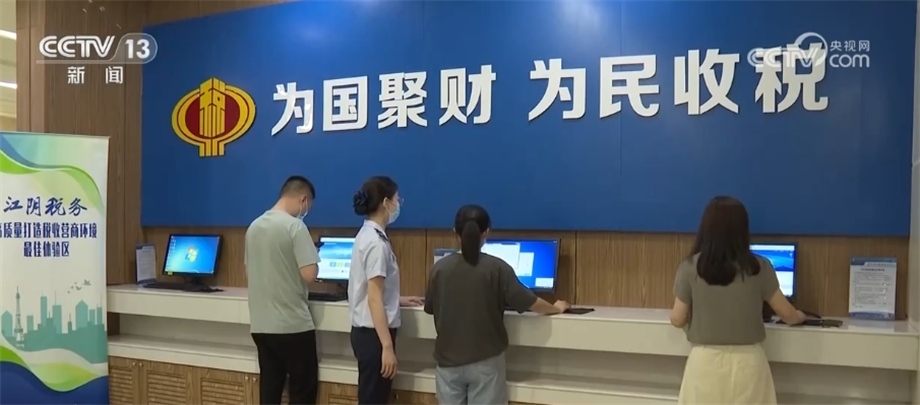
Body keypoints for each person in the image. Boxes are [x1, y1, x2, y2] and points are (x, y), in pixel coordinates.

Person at [424, 204, 570, 405]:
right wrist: (556, 308)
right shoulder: (497, 268)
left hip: (447, 363)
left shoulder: (440, 268)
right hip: (486, 363)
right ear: (486, 233)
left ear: (455, 231)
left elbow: (430, 307)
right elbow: (531, 302)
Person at [670, 196, 806, 405]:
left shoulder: (689, 267)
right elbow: (787, 314)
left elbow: (677, 318)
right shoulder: (760, 267)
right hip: (749, 364)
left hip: (704, 363)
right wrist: (800, 316)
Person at [244, 175, 321, 405]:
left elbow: (250, 272)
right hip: (292, 326)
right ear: (303, 199)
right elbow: (310, 274)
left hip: (261, 326)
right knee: (302, 393)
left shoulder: (254, 227)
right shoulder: (295, 226)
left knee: (270, 391)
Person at [348, 176, 424, 405]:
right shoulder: (376, 243)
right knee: (373, 399)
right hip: (375, 337)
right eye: (397, 199)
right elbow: (373, 298)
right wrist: (387, 347)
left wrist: (396, 299)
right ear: (385, 202)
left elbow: (371, 289)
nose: (398, 204)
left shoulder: (367, 235)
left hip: (368, 334)